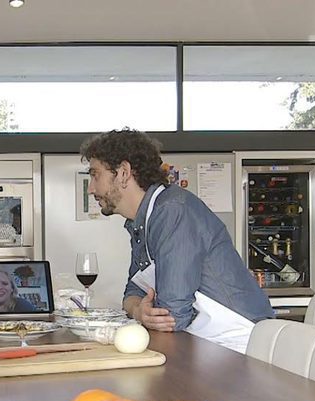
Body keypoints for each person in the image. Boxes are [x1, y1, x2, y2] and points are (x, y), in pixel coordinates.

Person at [80, 129, 273, 353]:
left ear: (124, 173)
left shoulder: (172, 212)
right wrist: (139, 311)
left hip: (242, 346)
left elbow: (172, 316)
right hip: (205, 343)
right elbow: (132, 293)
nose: (91, 189)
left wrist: (143, 310)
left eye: (95, 175)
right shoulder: (142, 221)